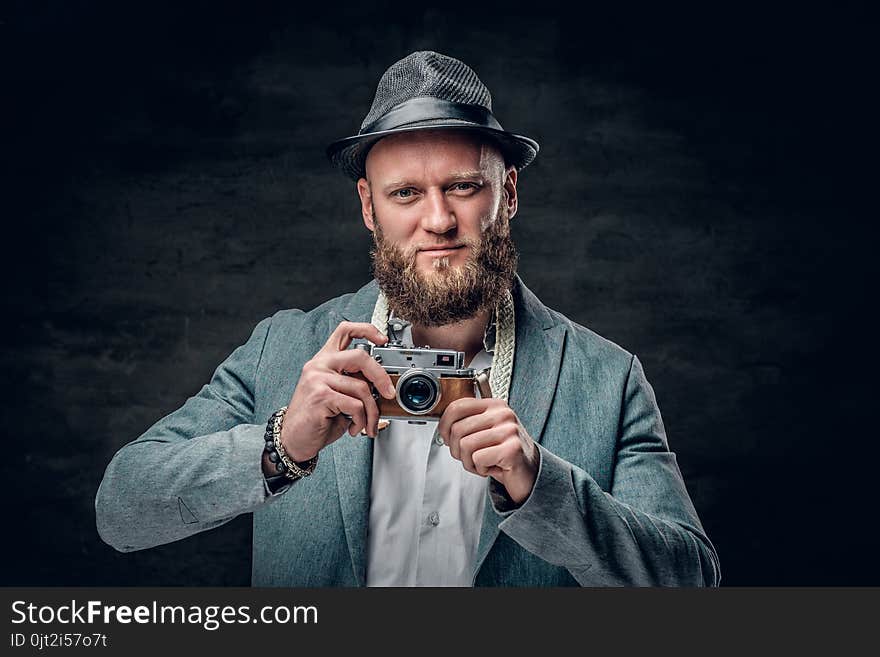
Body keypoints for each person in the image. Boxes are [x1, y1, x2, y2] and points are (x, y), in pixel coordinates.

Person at [95, 51, 721, 587]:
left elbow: (690, 579)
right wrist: (280, 445)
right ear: (369, 207)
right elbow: (121, 509)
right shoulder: (281, 351)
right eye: (405, 194)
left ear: (509, 194)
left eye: (464, 187)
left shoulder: (607, 379)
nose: (439, 221)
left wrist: (541, 485)